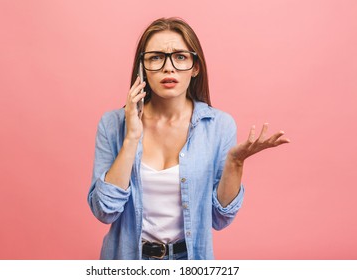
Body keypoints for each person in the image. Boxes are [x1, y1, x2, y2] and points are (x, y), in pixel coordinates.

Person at [87, 17, 290, 260]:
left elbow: (220, 218)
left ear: (195, 67)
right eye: (156, 57)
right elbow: (104, 211)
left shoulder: (219, 126)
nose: (168, 68)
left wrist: (235, 162)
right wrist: (131, 136)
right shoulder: (112, 124)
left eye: (180, 57)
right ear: (142, 68)